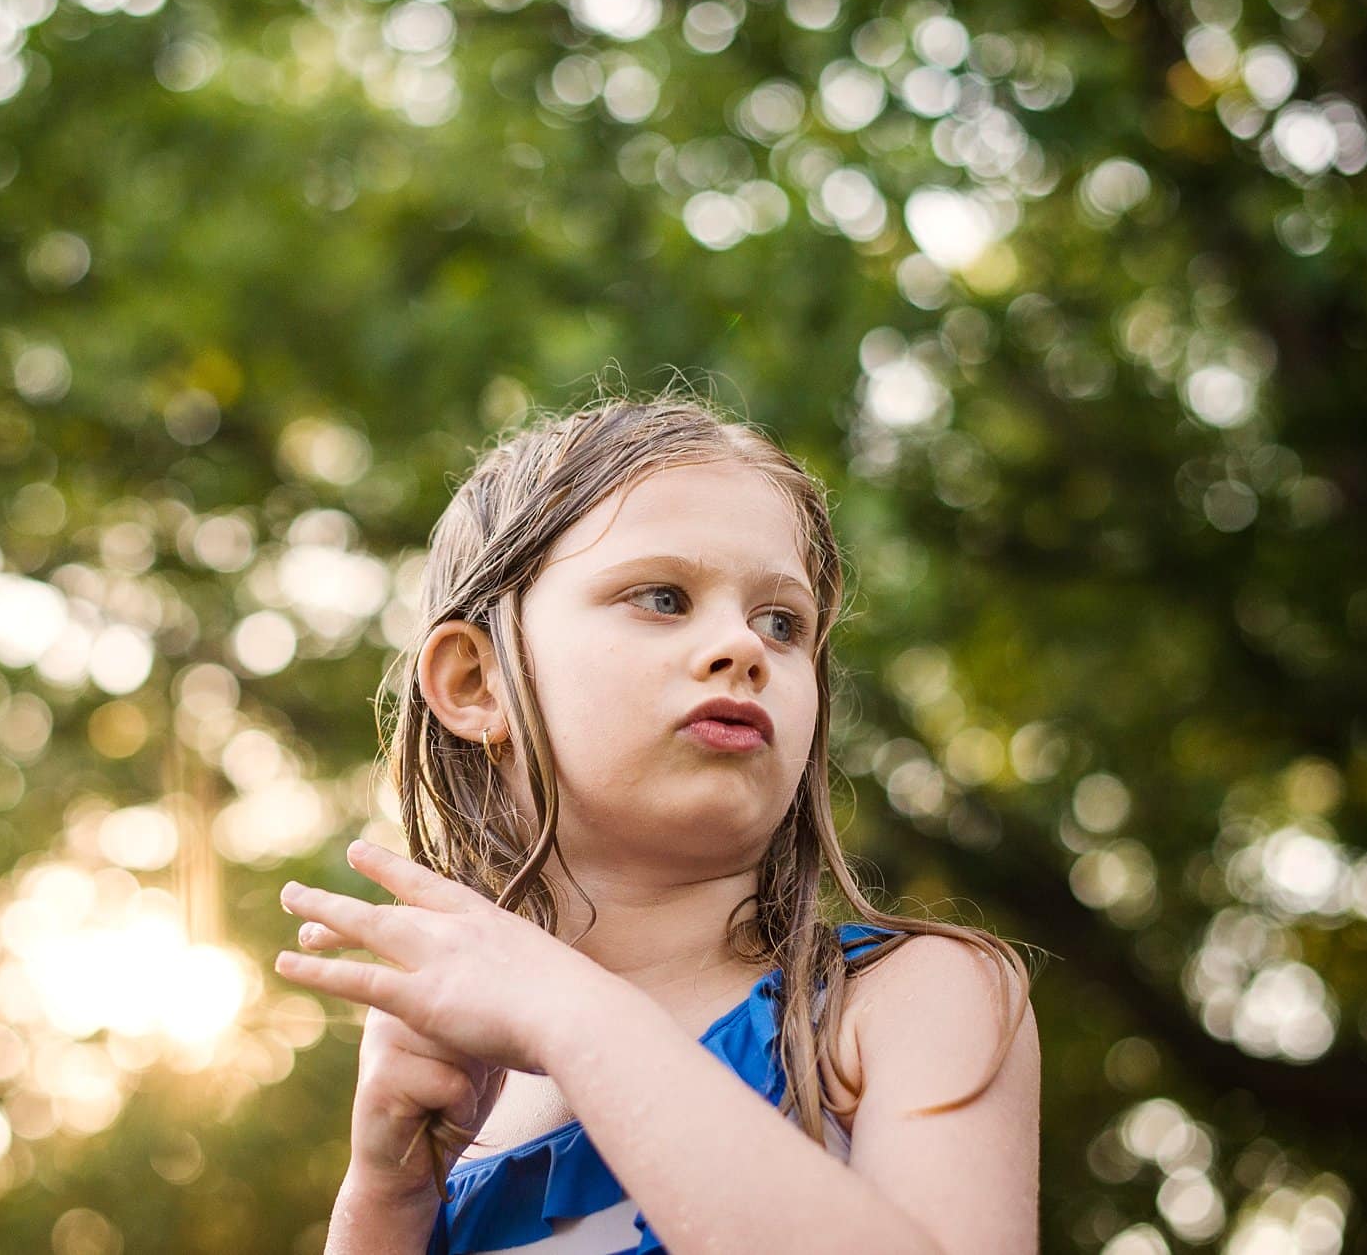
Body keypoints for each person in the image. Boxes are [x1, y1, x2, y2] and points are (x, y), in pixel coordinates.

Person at [273, 392, 1040, 1255]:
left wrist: (575, 1015)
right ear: (474, 682)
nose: (744, 647)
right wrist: (381, 1201)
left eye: (783, 623)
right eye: (664, 597)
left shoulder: (910, 1000)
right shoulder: (453, 1106)